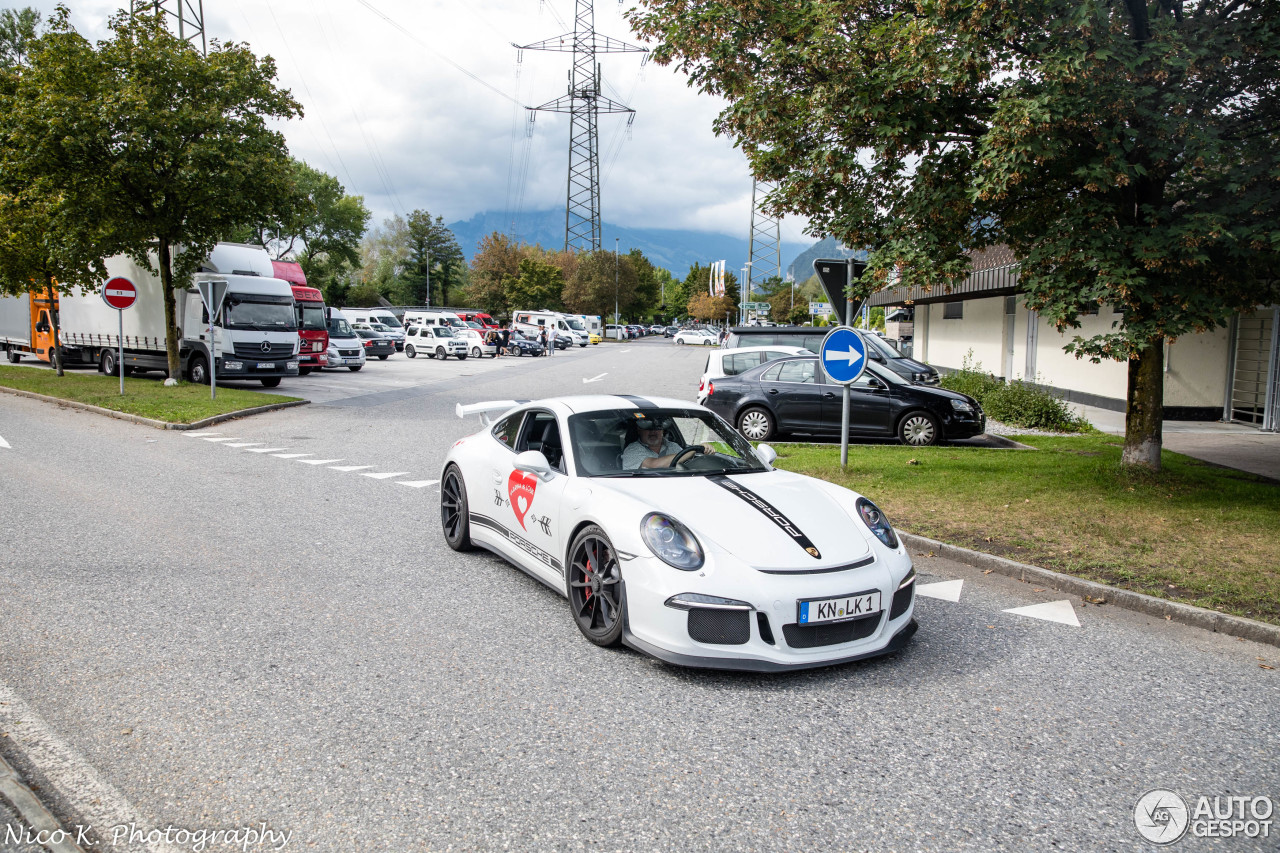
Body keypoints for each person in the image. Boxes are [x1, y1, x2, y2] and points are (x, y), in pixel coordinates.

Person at [621, 417, 714, 470]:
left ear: (663, 431)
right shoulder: (632, 449)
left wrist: (705, 450)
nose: (653, 432)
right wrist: (694, 449)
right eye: (648, 428)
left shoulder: (673, 446)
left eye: (658, 428)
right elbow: (654, 465)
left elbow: (686, 464)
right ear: (639, 430)